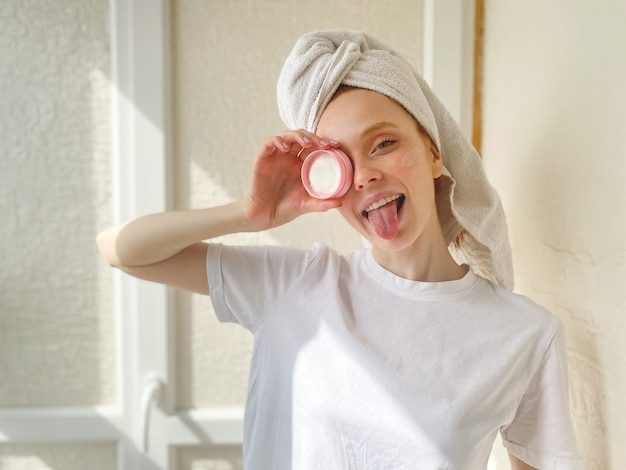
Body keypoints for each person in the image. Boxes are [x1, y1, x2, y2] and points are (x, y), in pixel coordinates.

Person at [97, 30, 582, 469]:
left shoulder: (525, 334)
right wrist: (248, 213)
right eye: (341, 161)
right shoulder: (293, 287)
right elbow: (121, 249)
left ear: (434, 152)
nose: (366, 174)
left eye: (384, 143)